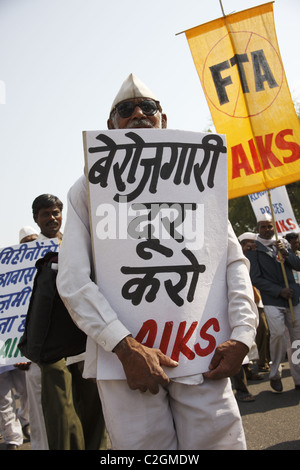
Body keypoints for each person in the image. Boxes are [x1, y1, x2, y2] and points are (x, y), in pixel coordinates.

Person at [57, 74, 258, 450]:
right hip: (127, 366)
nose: (138, 113)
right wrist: (124, 347)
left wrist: (243, 335)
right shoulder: (87, 188)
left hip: (203, 353)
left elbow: (231, 262)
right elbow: (72, 280)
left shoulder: (201, 179)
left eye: (148, 107)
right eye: (125, 109)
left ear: (163, 119)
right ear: (110, 125)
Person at [30, 194, 106, 450]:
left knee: (94, 405)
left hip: (83, 335)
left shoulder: (77, 245)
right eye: (45, 214)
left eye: (55, 213)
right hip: (50, 344)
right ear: (36, 219)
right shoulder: (25, 255)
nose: (51, 218)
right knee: (62, 413)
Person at [245, 218, 300, 392]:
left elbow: (297, 266)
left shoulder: (282, 244)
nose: (268, 229)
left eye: (270, 226)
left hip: (293, 299)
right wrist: (278, 291)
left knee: (297, 341)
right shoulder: (254, 249)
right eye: (264, 227)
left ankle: (298, 378)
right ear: (258, 229)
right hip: (272, 300)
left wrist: (287, 253)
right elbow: (255, 278)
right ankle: (275, 372)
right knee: (277, 334)